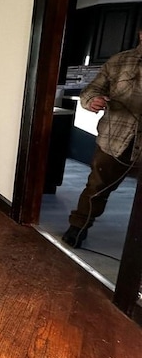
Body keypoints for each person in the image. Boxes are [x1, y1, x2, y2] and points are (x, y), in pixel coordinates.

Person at [62, 30, 142, 248]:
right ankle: (78, 228)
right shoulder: (119, 61)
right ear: (140, 34)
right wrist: (92, 100)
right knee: (96, 188)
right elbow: (91, 90)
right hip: (115, 138)